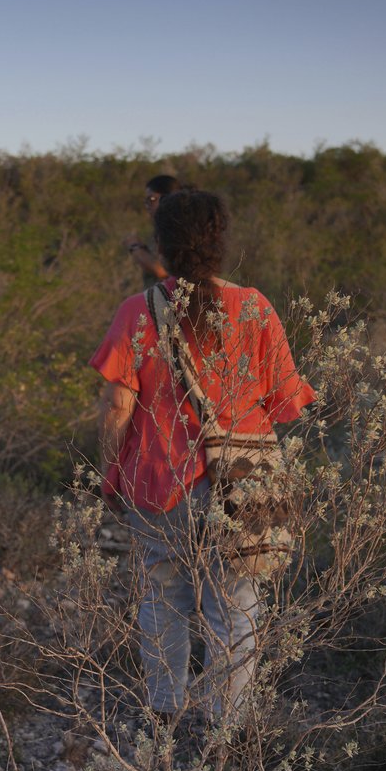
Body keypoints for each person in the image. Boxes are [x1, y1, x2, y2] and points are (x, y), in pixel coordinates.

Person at [90, 190, 314, 729]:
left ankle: (164, 716)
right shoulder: (256, 308)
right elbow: (286, 405)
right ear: (219, 241)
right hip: (240, 488)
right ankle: (227, 731)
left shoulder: (138, 311)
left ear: (162, 243)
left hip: (156, 483)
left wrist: (109, 474)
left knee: (162, 598)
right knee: (235, 608)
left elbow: (117, 406)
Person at [123, 174, 182, 287]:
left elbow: (161, 271)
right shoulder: (161, 228)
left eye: (152, 199)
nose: (147, 205)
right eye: (146, 201)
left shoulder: (175, 229)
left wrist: (135, 247)